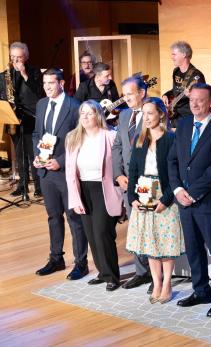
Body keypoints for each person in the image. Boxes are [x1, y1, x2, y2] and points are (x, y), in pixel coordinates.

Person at [168, 83, 211, 318]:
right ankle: (201, 290)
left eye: (200, 100)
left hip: (209, 203)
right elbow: (172, 160)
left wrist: (192, 192)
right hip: (184, 201)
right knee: (194, 250)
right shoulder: (183, 125)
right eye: (192, 100)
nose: (194, 104)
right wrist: (176, 189)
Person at [125, 97, 184, 304]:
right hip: (143, 196)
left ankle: (167, 283)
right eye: (144, 113)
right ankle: (156, 282)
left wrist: (166, 199)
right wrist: (131, 197)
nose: (147, 117)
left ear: (161, 114)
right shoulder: (139, 140)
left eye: (150, 113)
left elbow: (174, 172)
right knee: (150, 243)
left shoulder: (170, 139)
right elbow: (132, 171)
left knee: (165, 242)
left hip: (164, 197)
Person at [31, 68, 88, 280]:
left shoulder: (74, 107)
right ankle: (56, 258)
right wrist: (38, 156)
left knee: (74, 218)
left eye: (51, 83)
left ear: (61, 83)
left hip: (65, 170)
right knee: (53, 217)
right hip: (45, 171)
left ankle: (80, 263)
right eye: (45, 83)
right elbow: (37, 134)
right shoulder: (41, 104)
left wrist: (61, 161)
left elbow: (80, 139)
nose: (47, 87)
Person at [65, 100, 123, 291]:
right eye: (82, 113)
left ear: (98, 115)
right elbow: (69, 173)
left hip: (103, 189)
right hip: (83, 189)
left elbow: (118, 166)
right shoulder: (72, 138)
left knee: (102, 233)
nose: (85, 117)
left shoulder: (111, 136)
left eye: (90, 113)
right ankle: (103, 272)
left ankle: (112, 276)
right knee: (90, 234)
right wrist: (74, 198)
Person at [111, 77, 153, 291]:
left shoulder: (152, 112)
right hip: (127, 182)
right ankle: (141, 271)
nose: (125, 98)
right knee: (135, 228)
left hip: (147, 180)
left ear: (142, 93)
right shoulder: (125, 115)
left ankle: (157, 275)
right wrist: (118, 175)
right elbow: (117, 146)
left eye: (130, 93)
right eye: (124, 94)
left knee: (150, 227)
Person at [1, 41, 44, 198]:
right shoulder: (5, 75)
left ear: (26, 57)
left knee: (33, 153)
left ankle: (39, 187)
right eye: (13, 57)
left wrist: (24, 74)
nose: (15, 61)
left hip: (31, 118)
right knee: (19, 154)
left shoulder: (34, 72)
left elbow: (39, 92)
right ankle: (22, 185)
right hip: (13, 118)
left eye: (19, 57)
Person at [161, 41, 205, 122]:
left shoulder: (196, 75)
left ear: (184, 54)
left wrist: (191, 96)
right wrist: (166, 95)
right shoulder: (176, 71)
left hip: (189, 116)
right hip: (175, 116)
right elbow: (175, 91)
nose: (172, 57)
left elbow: (203, 98)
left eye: (174, 54)